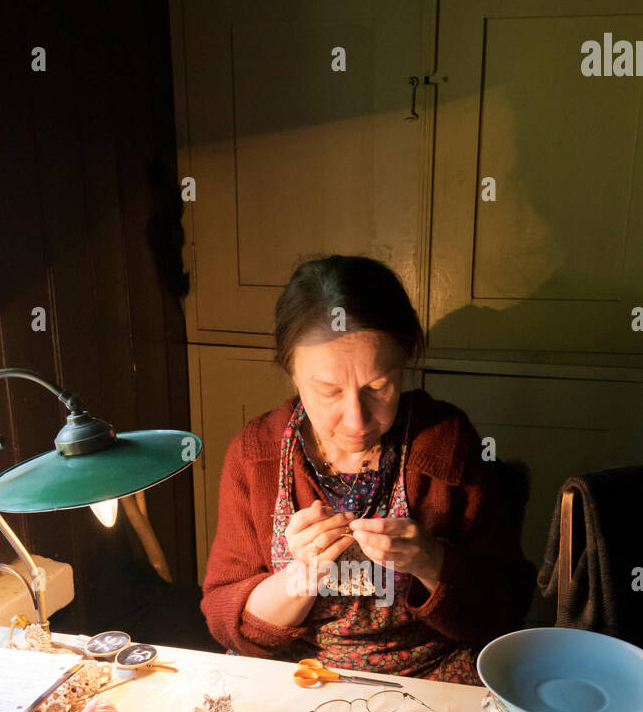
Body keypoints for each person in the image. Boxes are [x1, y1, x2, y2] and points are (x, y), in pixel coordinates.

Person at [200, 255, 536, 683]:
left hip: (428, 677)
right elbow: (225, 620)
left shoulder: (445, 443)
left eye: (379, 387)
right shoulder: (257, 454)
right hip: (297, 675)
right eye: (328, 392)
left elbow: (504, 610)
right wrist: (299, 578)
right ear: (291, 373)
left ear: (405, 363)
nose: (357, 420)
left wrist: (432, 561)